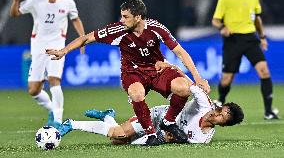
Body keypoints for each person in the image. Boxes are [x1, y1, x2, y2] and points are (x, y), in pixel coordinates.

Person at [46, 0, 210, 145]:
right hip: (133, 73)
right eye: (121, 16)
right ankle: (151, 134)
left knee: (183, 88)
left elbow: (180, 52)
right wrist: (63, 51)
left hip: (156, 69)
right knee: (135, 97)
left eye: (125, 17)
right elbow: (85, 39)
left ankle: (168, 122)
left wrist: (198, 78)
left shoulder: (156, 28)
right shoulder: (117, 30)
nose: (121, 20)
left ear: (138, 17)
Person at [56, 61, 244, 145]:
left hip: (164, 131)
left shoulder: (202, 139)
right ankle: (72, 124)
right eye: (220, 109)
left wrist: (162, 138)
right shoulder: (204, 103)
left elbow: (173, 141)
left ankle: (107, 116)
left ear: (224, 125)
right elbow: (187, 85)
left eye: (222, 116)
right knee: (118, 135)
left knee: (116, 140)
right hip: (158, 115)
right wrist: (174, 67)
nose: (216, 113)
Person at [9, 0, 85, 127]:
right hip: (37, 48)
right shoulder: (35, 1)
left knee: (54, 79)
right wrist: (16, 0)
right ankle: (52, 109)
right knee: (33, 90)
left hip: (57, 46)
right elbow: (15, 14)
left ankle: (58, 120)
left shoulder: (68, 2)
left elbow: (76, 20)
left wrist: (82, 40)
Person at [212, 0, 278, 120]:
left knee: (264, 71)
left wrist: (262, 37)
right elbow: (215, 20)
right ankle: (220, 100)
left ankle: (268, 111)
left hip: (250, 38)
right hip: (232, 40)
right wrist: (222, 27)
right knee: (227, 79)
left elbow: (258, 19)